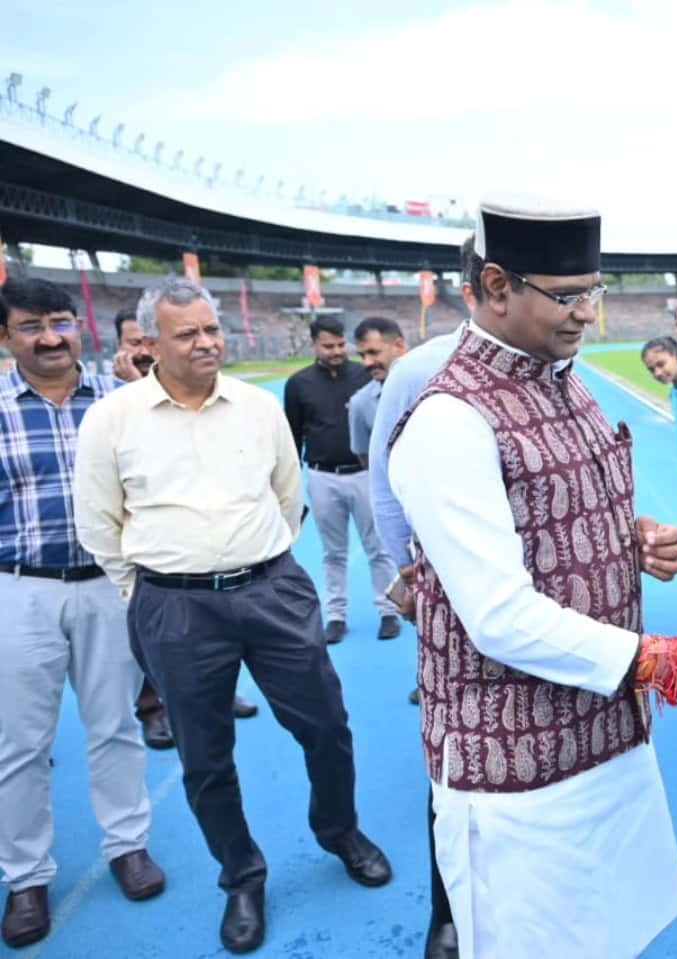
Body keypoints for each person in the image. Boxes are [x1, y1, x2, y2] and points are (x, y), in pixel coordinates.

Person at [388, 196, 677, 958]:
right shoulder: (451, 421)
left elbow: (547, 513)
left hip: (607, 736)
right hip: (518, 767)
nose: (588, 312)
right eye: (567, 294)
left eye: (594, 290)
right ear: (493, 284)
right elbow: (499, 616)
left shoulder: (566, 379)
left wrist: (630, 539)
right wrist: (664, 660)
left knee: (612, 934)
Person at [74, 277, 392, 955]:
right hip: (173, 605)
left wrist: (254, 565)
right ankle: (241, 874)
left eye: (212, 328)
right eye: (186, 333)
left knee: (327, 725)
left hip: (271, 589)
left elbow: (286, 494)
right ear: (150, 342)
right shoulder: (112, 418)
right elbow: (99, 522)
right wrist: (148, 592)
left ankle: (339, 829)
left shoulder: (255, 406)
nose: (206, 342)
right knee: (204, 755)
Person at [0, 279, 164, 950]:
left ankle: (129, 845)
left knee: (115, 726)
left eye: (60, 321)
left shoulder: (122, 402)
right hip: (20, 587)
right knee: (19, 746)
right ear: (7, 336)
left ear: (79, 326)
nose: (49, 336)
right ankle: (27, 876)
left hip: (108, 584)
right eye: (31, 325)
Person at [366, 241, 473, 959]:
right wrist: (406, 571)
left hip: (543, 597)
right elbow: (383, 474)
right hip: (449, 602)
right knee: (455, 757)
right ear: (482, 287)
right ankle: (448, 911)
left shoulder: (563, 368)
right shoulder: (420, 369)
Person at [112, 308, 259, 749]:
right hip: (147, 559)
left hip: (212, 553)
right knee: (151, 644)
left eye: (145, 340)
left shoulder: (220, 400)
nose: (140, 350)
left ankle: (220, 689)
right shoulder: (113, 408)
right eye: (132, 342)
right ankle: (153, 708)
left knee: (215, 634)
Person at [283, 315, 400, 643]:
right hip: (323, 477)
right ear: (313, 346)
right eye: (328, 346)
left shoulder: (366, 377)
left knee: (378, 547)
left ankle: (387, 609)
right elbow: (292, 438)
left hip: (364, 474)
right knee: (333, 552)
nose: (336, 351)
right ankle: (336, 614)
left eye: (340, 345)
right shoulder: (298, 384)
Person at [348, 316, 408, 469]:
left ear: (399, 346)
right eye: (362, 355)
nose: (366, 362)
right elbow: (366, 459)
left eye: (373, 352)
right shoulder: (360, 403)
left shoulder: (435, 385)